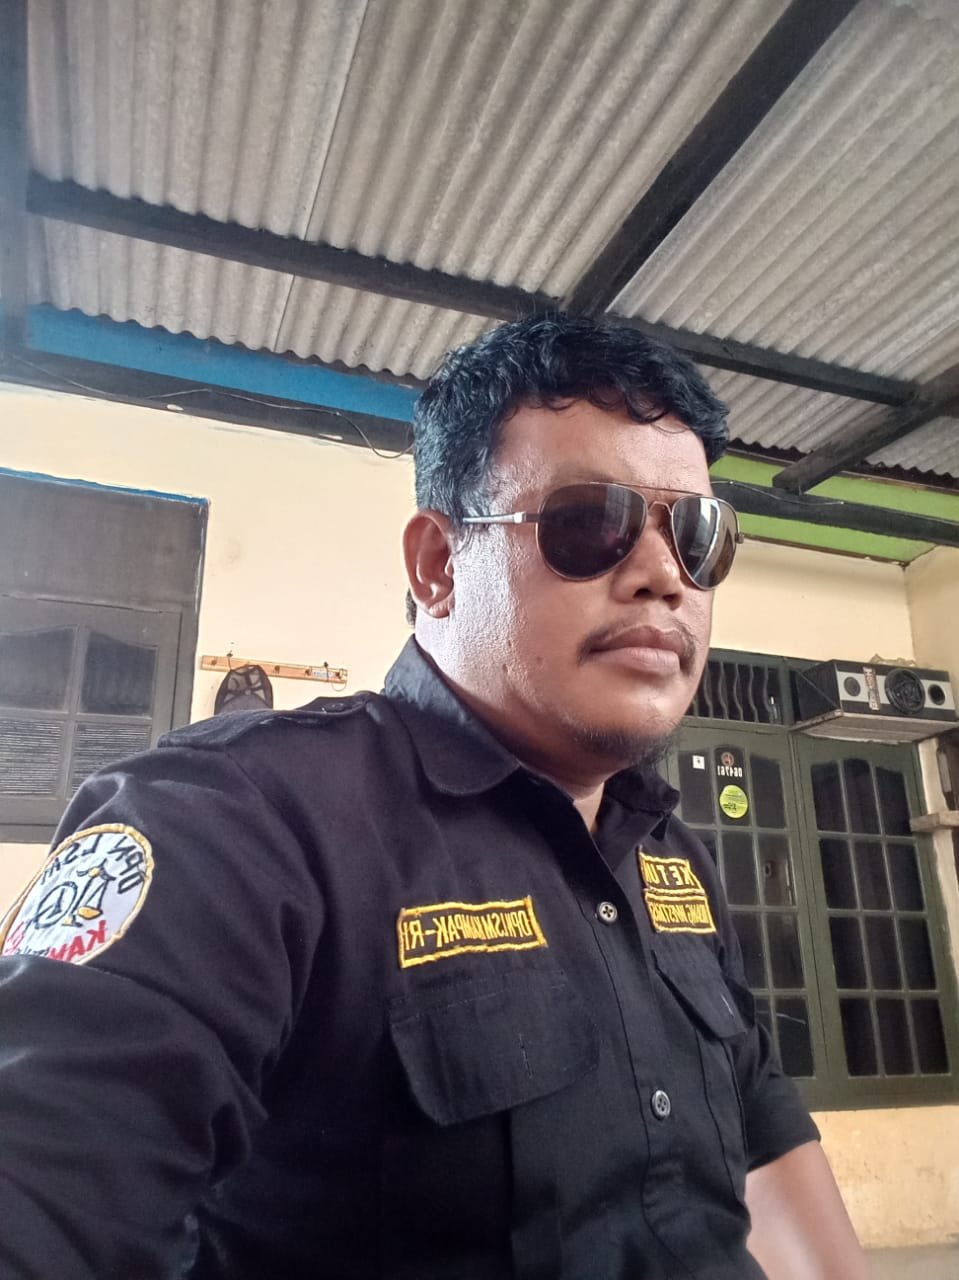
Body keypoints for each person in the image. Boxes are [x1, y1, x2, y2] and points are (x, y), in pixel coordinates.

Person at [0, 314, 866, 1279]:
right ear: (439, 565)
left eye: (696, 536)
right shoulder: (235, 821)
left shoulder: (669, 852)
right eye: (592, 521)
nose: (664, 575)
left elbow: (761, 1132)